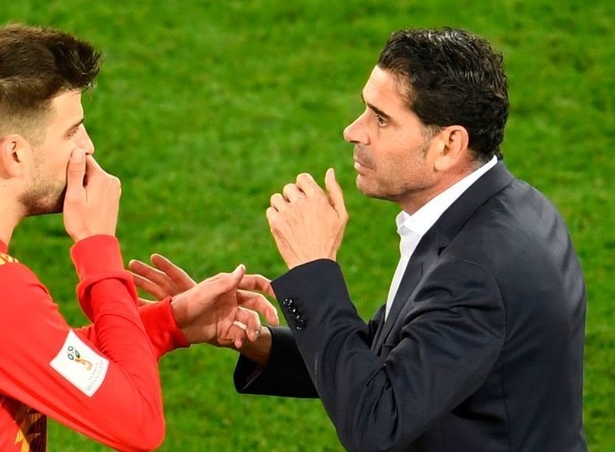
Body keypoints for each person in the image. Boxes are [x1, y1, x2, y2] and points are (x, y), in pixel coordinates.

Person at [0, 24, 276, 452]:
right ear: (15, 154)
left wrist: (166, 324)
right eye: (73, 131)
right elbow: (139, 423)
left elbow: (22, 351)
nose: (89, 148)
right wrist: (97, 247)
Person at [130, 28, 588, 452]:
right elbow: (387, 362)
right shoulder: (506, 207)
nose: (353, 131)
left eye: (381, 119)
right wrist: (255, 342)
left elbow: (377, 422)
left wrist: (314, 270)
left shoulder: (474, 274)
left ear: (448, 145)